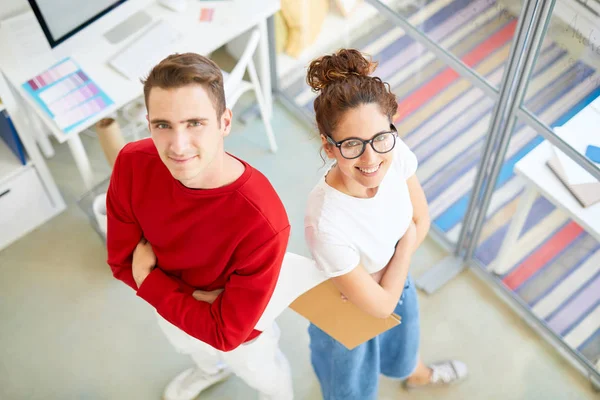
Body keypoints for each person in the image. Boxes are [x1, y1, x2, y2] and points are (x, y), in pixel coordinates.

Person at [106, 53, 293, 400]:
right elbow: (120, 264)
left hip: (237, 333)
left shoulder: (262, 219)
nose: (177, 146)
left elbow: (227, 334)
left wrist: (151, 280)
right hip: (169, 306)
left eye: (194, 123)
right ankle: (210, 370)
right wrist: (198, 305)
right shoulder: (132, 164)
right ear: (149, 124)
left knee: (263, 374)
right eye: (163, 125)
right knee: (193, 347)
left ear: (224, 122)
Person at [303, 49, 468, 399]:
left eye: (380, 138)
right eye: (351, 145)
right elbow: (377, 306)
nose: (371, 158)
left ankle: (417, 373)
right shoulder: (325, 221)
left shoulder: (395, 151)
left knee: (403, 345)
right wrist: (405, 247)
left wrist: (388, 277)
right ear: (328, 147)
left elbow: (421, 220)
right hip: (344, 308)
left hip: (395, 284)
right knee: (349, 386)